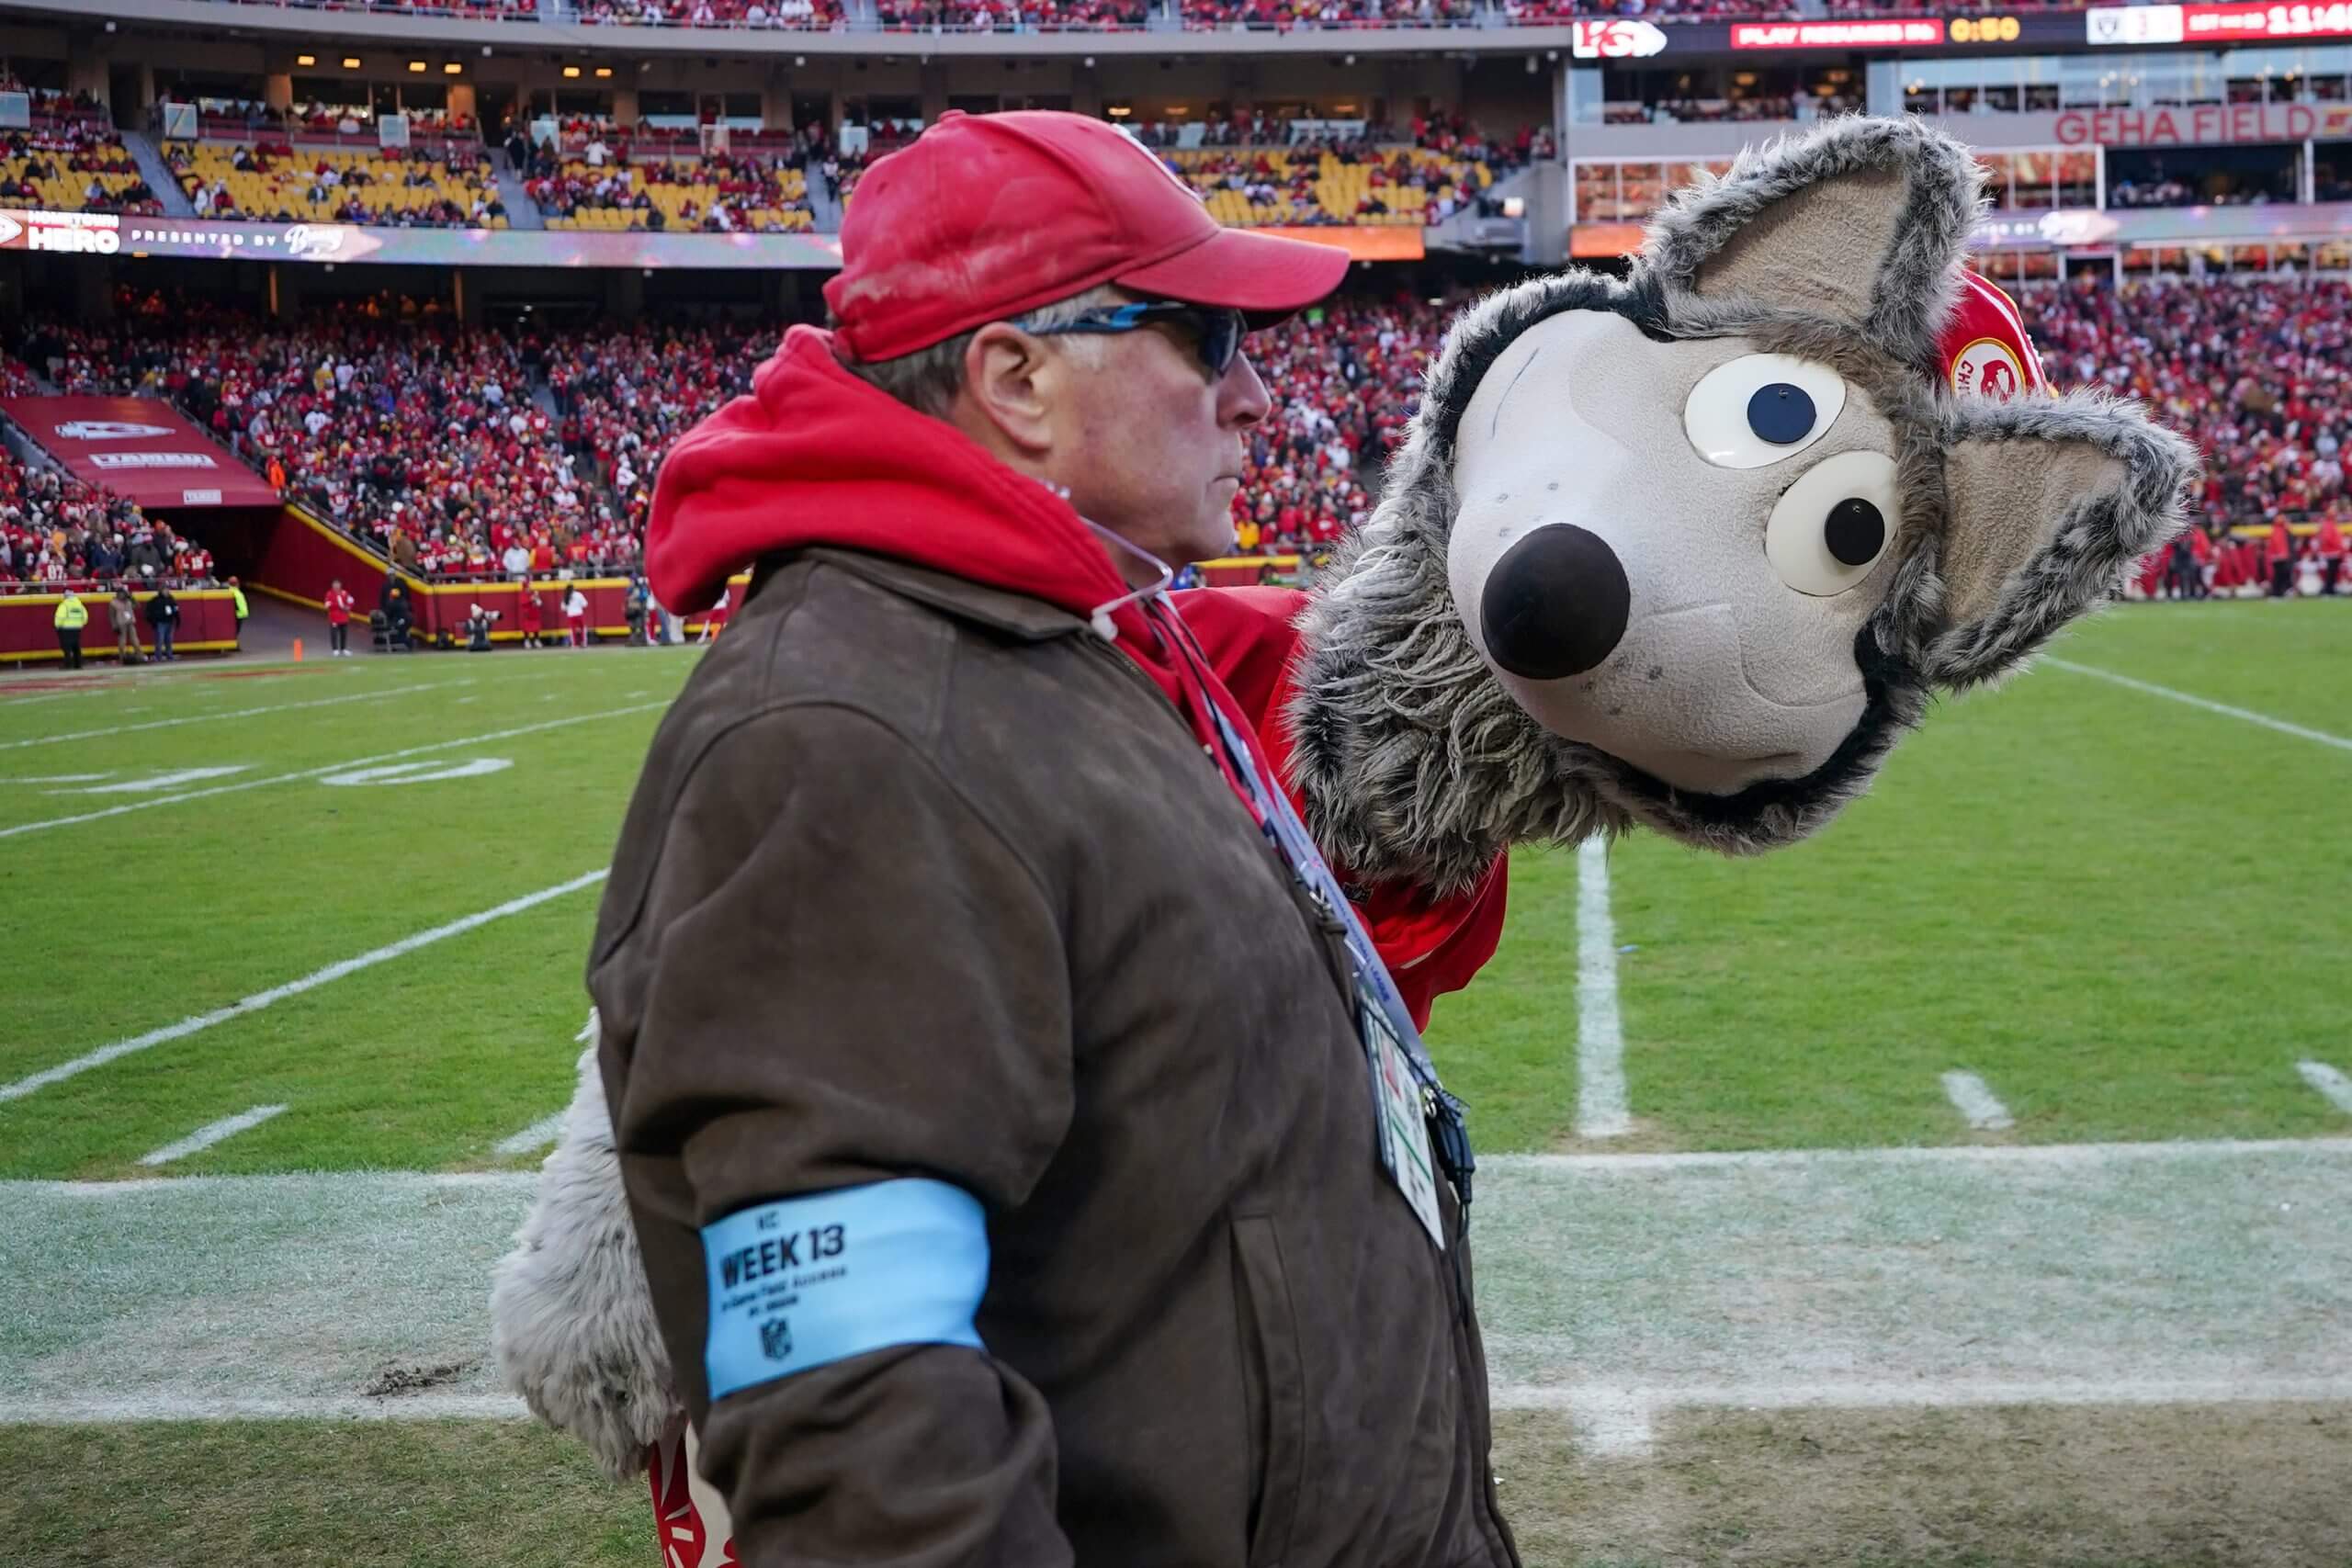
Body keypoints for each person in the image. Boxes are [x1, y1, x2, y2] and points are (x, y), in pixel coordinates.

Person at [591, 110, 1516, 1567]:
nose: (1255, 396)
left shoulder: (1064, 644)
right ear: (1015, 378)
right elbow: (859, 1432)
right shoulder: (848, 735)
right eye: (1208, 339)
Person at [52, 587, 87, 669]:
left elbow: (60, 617)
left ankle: (68, 664)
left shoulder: (64, 605)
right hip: (77, 628)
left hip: (65, 629)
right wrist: (81, 624)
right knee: (76, 646)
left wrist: (57, 626)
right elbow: (85, 617)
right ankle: (78, 664)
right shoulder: (79, 604)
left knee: (66, 648)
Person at [145, 581, 180, 660]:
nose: (167, 591)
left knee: (169, 640)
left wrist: (177, 619)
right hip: (160, 623)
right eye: (165, 590)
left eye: (167, 589)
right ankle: (158, 656)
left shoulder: (171, 599)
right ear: (161, 591)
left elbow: (176, 609)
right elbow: (148, 611)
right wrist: (153, 621)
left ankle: (169, 655)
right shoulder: (155, 600)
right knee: (159, 640)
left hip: (169, 622)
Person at [108, 583, 142, 664]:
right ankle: (122, 657)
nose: (121, 595)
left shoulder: (128, 601)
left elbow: (138, 606)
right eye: (120, 593)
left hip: (130, 622)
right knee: (122, 641)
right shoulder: (113, 603)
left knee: (135, 640)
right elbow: (111, 615)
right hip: (121, 623)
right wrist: (114, 626)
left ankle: (140, 656)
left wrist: (132, 598)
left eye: (123, 593)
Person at [324, 578, 356, 657]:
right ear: (332, 585)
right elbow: (327, 605)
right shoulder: (329, 594)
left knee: (344, 633)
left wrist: (348, 607)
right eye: (335, 584)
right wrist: (339, 606)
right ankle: (335, 649)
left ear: (340, 585)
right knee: (334, 634)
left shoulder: (344, 593)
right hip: (334, 618)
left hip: (344, 618)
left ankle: (343, 649)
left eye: (338, 584)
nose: (336, 586)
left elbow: (351, 601)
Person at [517, 581, 544, 649]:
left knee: (536, 627)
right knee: (526, 628)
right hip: (527, 614)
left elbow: (539, 603)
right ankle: (527, 641)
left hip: (534, 613)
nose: (529, 588)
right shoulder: (522, 594)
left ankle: (536, 640)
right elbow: (523, 602)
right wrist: (533, 598)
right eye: (527, 587)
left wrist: (536, 597)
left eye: (529, 586)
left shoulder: (533, 593)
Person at [562, 583, 589, 648]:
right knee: (582, 629)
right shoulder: (579, 594)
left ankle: (574, 644)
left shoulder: (566, 595)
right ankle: (584, 643)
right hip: (579, 613)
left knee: (572, 630)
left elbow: (563, 608)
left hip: (571, 615)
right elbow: (585, 604)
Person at [228, 576, 249, 647]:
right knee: (235, 631)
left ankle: (234, 644)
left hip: (239, 614)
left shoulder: (234, 591)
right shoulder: (233, 592)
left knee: (235, 631)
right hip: (237, 615)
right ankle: (233, 644)